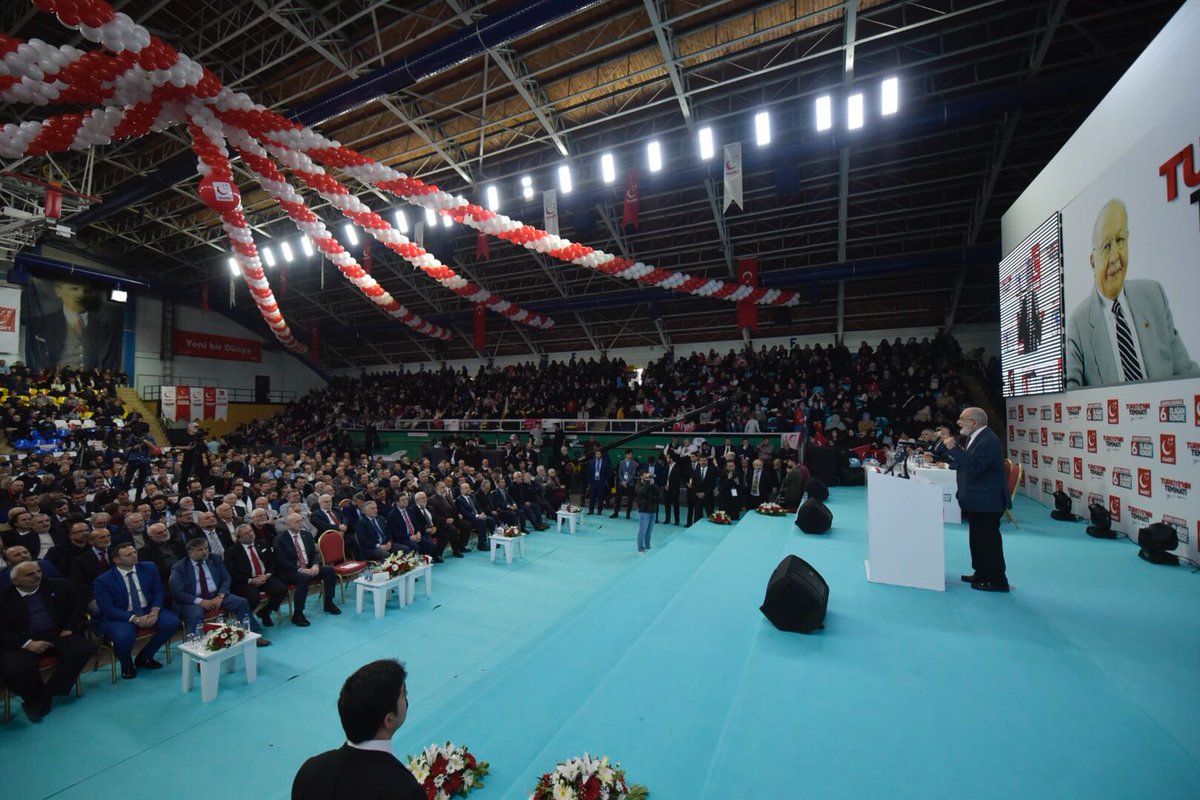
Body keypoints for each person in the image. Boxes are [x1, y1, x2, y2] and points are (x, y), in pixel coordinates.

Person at [1065, 198, 1199, 388]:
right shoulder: (1078, 325)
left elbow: (1185, 372)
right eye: (1106, 247)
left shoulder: (1155, 296)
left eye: (1120, 240)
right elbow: (1071, 397)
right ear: (1092, 262)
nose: (1115, 257)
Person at [291, 659, 424, 800]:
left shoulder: (310, 771)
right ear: (388, 720)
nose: (407, 695)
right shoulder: (403, 789)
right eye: (403, 694)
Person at [0, 561, 93, 721]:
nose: (37, 576)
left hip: (58, 632)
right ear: (15, 581)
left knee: (81, 649)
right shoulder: (4, 598)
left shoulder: (58, 585)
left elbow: (78, 604)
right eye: (30, 574)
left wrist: (69, 627)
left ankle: (43, 697)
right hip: (23, 639)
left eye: (38, 571)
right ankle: (35, 698)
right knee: (14, 669)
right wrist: (27, 644)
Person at [940, 408, 1010, 592]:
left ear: (974, 422)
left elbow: (975, 468)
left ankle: (996, 580)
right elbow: (969, 462)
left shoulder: (988, 440)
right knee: (978, 539)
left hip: (987, 500)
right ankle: (981, 572)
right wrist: (950, 460)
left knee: (988, 542)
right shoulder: (977, 437)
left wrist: (954, 449)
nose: (958, 422)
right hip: (978, 499)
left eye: (962, 419)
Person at [93, 542, 181, 679]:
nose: (134, 556)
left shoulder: (149, 567)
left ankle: (145, 657)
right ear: (117, 560)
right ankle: (126, 664)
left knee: (172, 623)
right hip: (121, 614)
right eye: (129, 555)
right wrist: (135, 619)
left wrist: (155, 611)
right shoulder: (103, 580)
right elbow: (107, 608)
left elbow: (158, 591)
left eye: (134, 552)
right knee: (124, 637)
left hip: (148, 608)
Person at [170, 538, 270, 644]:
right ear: (190, 552)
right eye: (200, 550)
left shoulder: (215, 558)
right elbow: (178, 592)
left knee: (241, 602)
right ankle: (196, 645)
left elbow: (226, 578)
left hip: (216, 594)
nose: (205, 552)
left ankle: (254, 635)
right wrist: (200, 601)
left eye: (206, 548)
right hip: (193, 600)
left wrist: (220, 595)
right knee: (196, 615)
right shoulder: (179, 567)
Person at [273, 513, 341, 626]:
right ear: (288, 525)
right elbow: (281, 561)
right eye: (297, 521)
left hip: (309, 567)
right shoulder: (280, 539)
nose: (301, 523)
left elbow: (314, 553)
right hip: (291, 571)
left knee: (329, 570)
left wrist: (315, 564)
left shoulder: (306, 534)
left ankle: (328, 603)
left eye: (301, 520)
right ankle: (298, 614)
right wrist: (300, 569)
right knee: (303, 578)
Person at [225, 524, 287, 628]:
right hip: (246, 581)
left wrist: (267, 575)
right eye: (246, 533)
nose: (250, 534)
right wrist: (250, 580)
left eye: (251, 531)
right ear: (238, 538)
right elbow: (231, 572)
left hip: (264, 577)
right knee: (253, 597)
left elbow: (272, 563)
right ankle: (247, 621)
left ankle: (265, 612)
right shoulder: (232, 551)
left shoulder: (263, 544)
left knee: (281, 589)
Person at [634, 470, 662, 554]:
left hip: (652, 510)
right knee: (642, 531)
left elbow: (658, 492)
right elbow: (643, 492)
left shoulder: (651, 485)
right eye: (646, 477)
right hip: (644, 511)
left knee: (649, 531)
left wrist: (653, 484)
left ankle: (647, 546)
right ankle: (640, 549)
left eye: (648, 477)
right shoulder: (638, 485)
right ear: (642, 477)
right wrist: (648, 483)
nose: (648, 478)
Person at [686, 455, 716, 526]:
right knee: (697, 515)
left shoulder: (712, 471)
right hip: (697, 497)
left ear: (707, 461)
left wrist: (704, 493)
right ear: (699, 462)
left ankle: (711, 528)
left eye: (704, 460)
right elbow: (693, 484)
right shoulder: (695, 471)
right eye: (701, 461)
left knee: (710, 514)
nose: (703, 462)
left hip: (708, 497)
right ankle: (696, 528)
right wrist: (697, 493)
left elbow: (713, 484)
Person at [611, 450, 639, 519]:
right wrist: (622, 481)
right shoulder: (622, 463)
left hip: (630, 484)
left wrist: (627, 482)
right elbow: (619, 473)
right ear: (626, 455)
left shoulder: (634, 463)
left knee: (630, 500)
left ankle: (628, 514)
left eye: (631, 454)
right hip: (622, 483)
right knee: (618, 499)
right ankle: (616, 513)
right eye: (629, 454)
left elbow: (633, 474)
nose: (631, 456)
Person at [586, 450, 611, 515]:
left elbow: (608, 473)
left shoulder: (605, 462)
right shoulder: (591, 462)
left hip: (601, 482)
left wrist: (605, 482)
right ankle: (591, 510)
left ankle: (599, 511)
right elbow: (589, 472)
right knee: (592, 497)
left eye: (599, 454)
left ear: (601, 454)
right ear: (595, 455)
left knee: (601, 497)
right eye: (596, 454)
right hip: (593, 482)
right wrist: (590, 481)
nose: (598, 455)